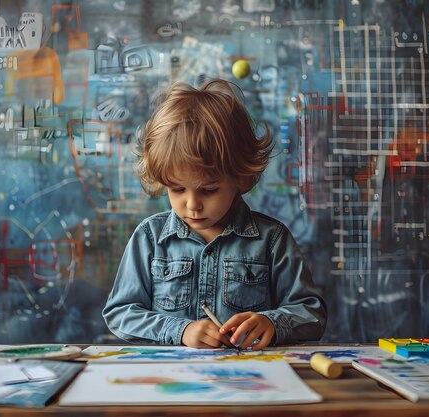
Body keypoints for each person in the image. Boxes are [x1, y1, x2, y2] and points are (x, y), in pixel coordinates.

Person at [102, 79, 326, 350]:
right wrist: (180, 330)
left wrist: (272, 323)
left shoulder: (271, 240)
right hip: (169, 381)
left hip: (250, 380)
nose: (192, 204)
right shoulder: (150, 238)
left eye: (208, 190)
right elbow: (121, 314)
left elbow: (312, 313)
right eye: (177, 189)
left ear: (240, 179)